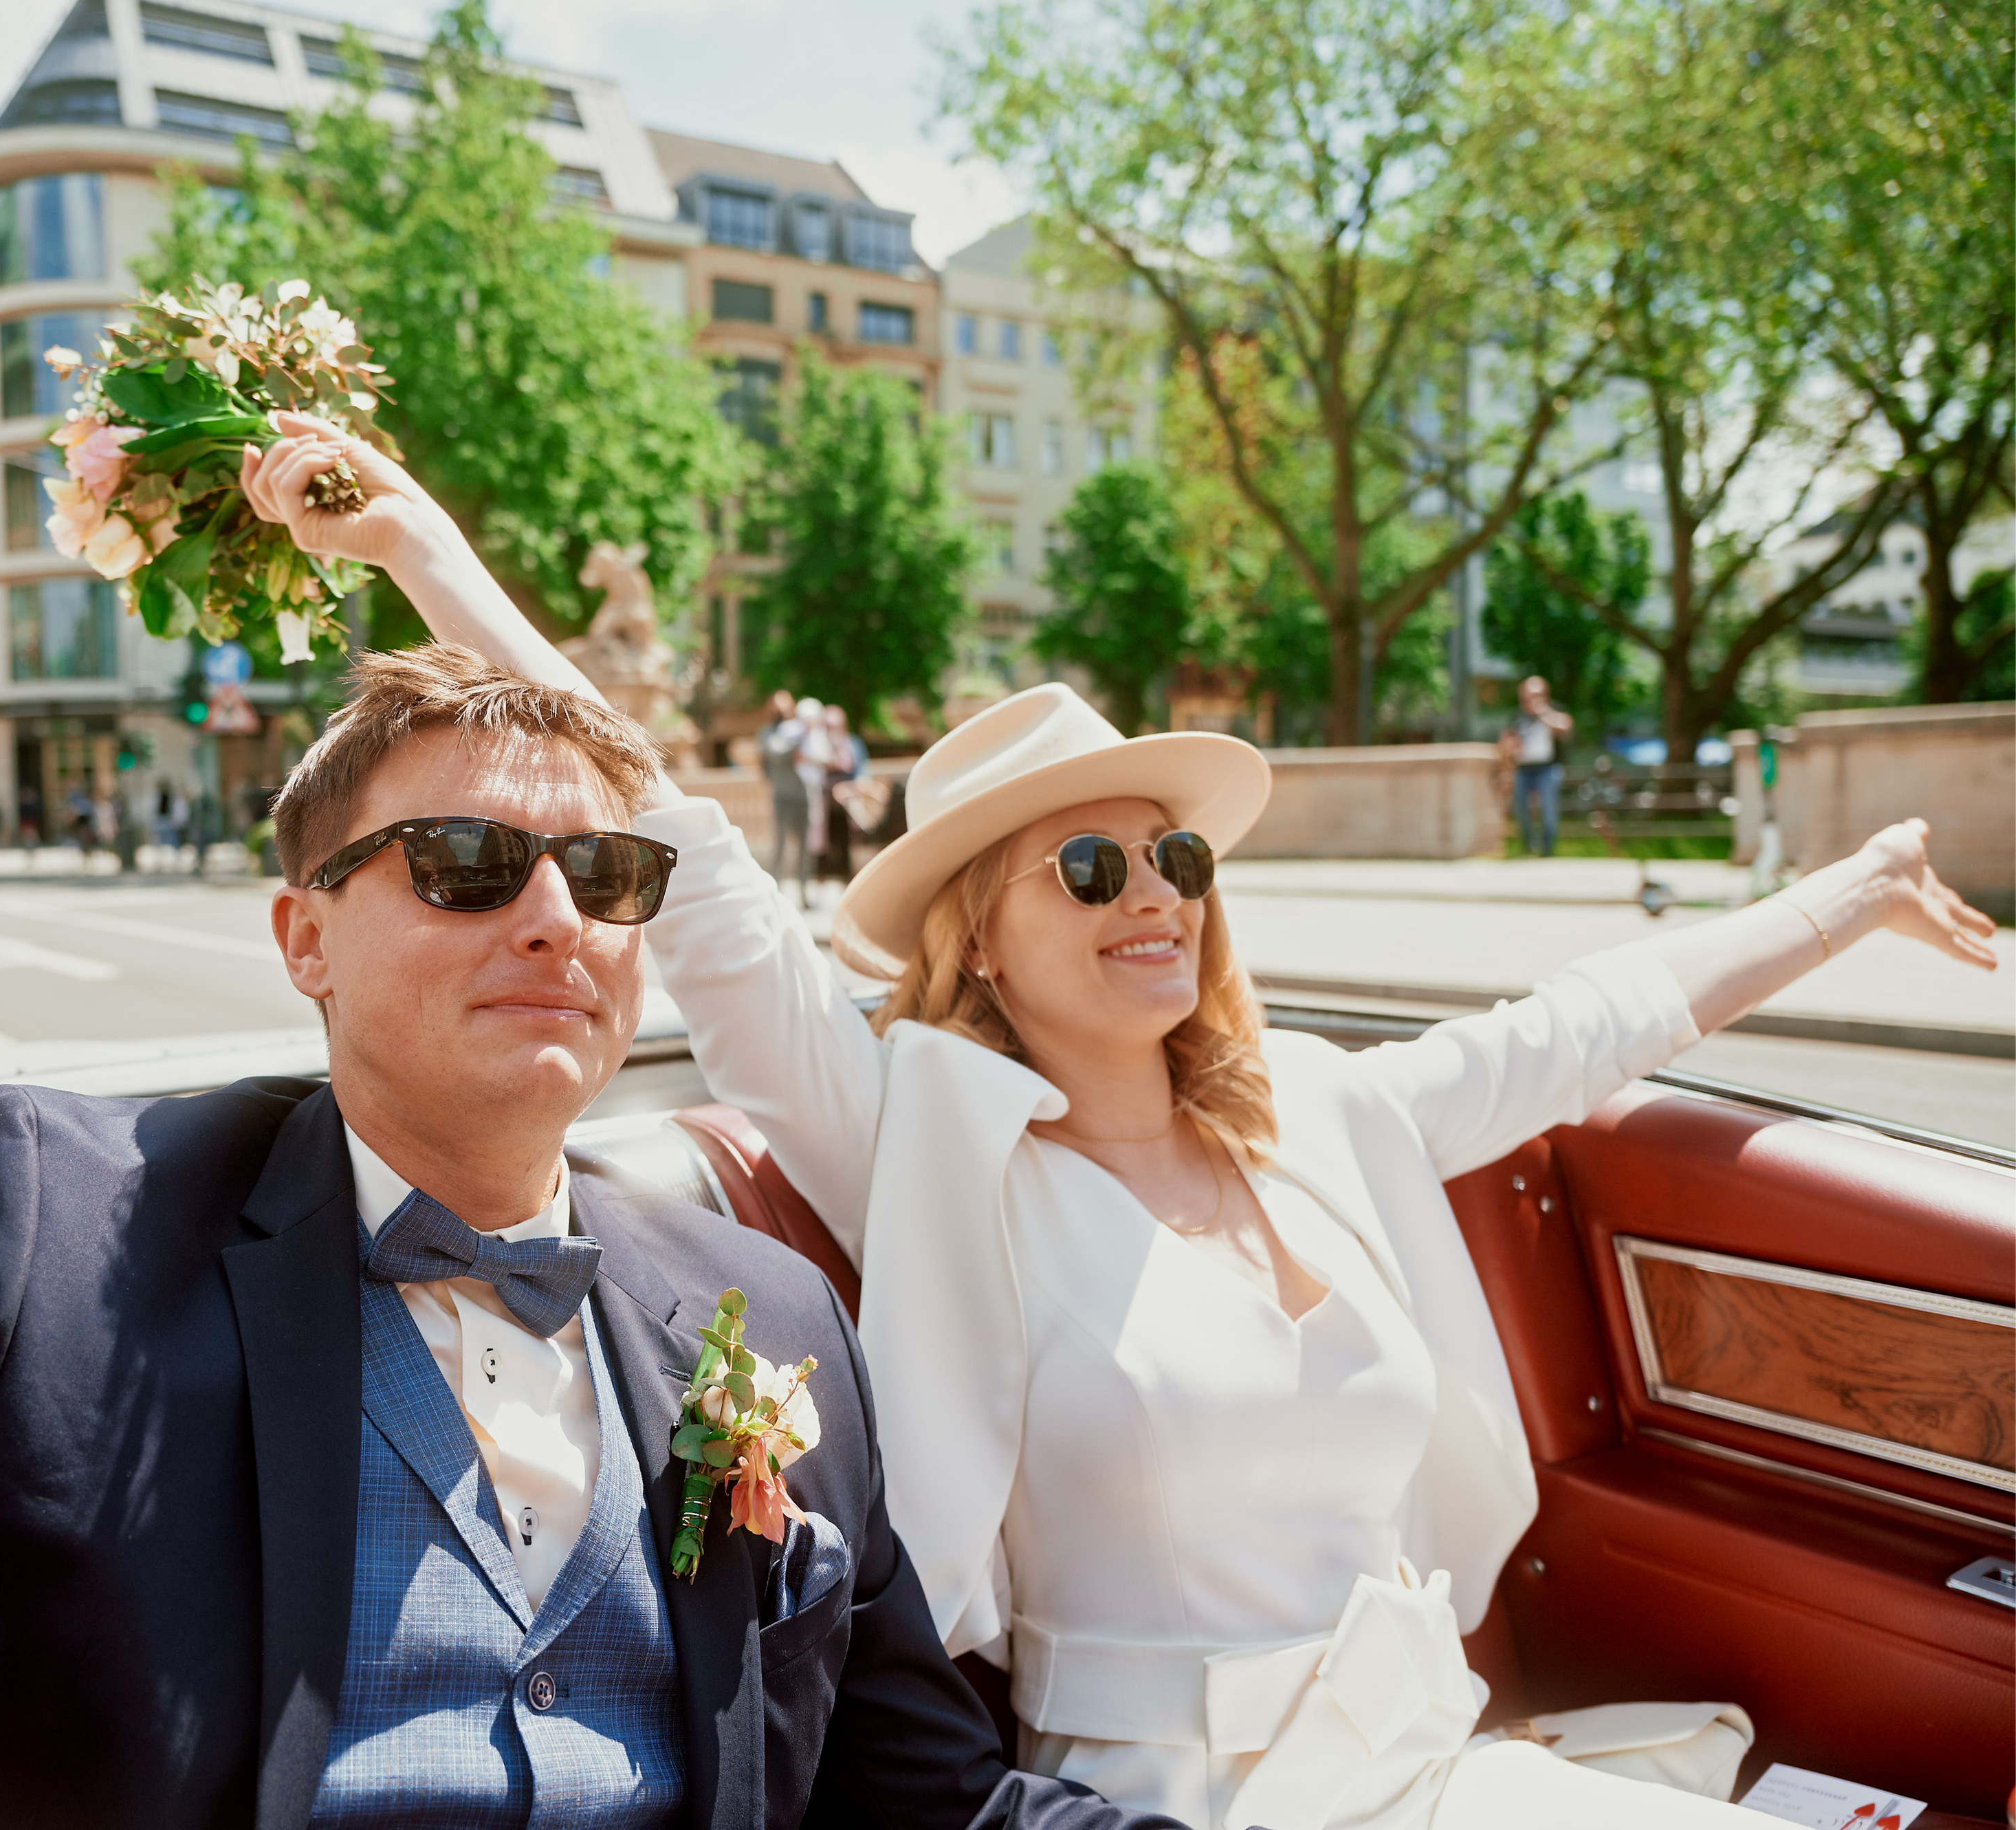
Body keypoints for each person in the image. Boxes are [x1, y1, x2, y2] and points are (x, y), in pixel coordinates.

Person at [232, 409, 2002, 1830]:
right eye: (1086, 866)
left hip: (1438, 1763)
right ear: (976, 941)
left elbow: (1584, 1024)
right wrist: (422, 553)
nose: (1150, 891)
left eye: (1175, 857)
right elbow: (680, 851)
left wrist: (1848, 894)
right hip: (1147, 1804)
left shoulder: (1323, 1112)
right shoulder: (921, 1136)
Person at [0, 643, 1187, 1830]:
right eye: (465, 864)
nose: (551, 912)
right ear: (303, 938)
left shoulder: (767, 1316)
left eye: (606, 874)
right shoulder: (65, 1240)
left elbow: (923, 1794)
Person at [1500, 676, 1572, 858]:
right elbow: (1507, 741)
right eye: (1526, 697)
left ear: (1545, 695)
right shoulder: (1517, 716)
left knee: (1548, 809)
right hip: (1523, 769)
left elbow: (1566, 728)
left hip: (1547, 768)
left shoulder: (1554, 710)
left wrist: (1543, 712)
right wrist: (1511, 748)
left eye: (1535, 695)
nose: (1530, 700)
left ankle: (1547, 849)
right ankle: (1528, 846)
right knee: (1520, 808)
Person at [809, 706, 868, 894]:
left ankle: (846, 876)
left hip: (846, 802)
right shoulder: (818, 745)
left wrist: (852, 788)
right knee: (822, 842)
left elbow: (862, 771)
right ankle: (822, 876)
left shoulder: (853, 744)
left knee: (845, 840)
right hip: (824, 802)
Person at [759, 690, 811, 889]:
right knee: (780, 843)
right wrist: (800, 740)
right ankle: (775, 888)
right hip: (782, 795)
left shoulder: (800, 728)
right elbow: (775, 754)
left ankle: (805, 890)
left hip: (803, 793)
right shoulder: (768, 733)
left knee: (805, 846)